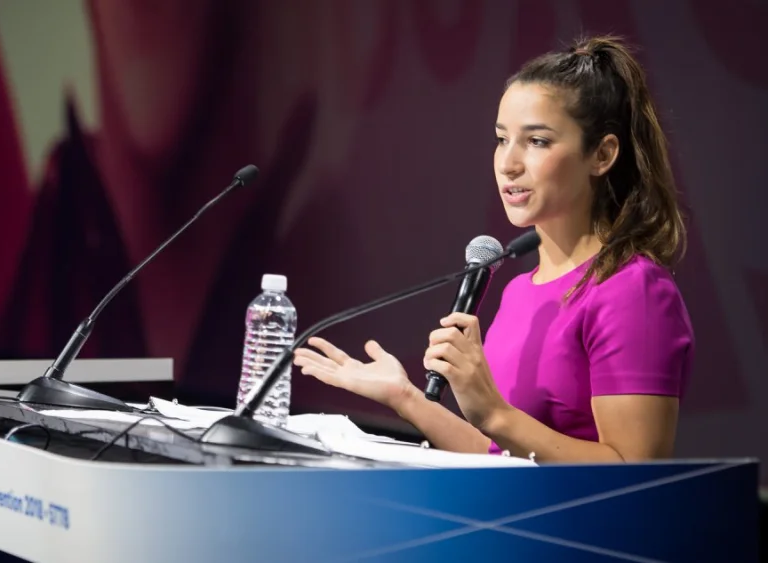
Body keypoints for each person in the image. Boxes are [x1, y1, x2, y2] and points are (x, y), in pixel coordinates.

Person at [292, 35, 694, 463]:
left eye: (537, 141)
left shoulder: (633, 290)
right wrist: (406, 398)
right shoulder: (520, 291)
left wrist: (496, 415)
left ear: (602, 154)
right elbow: (502, 456)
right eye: (502, 139)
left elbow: (634, 473)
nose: (509, 162)